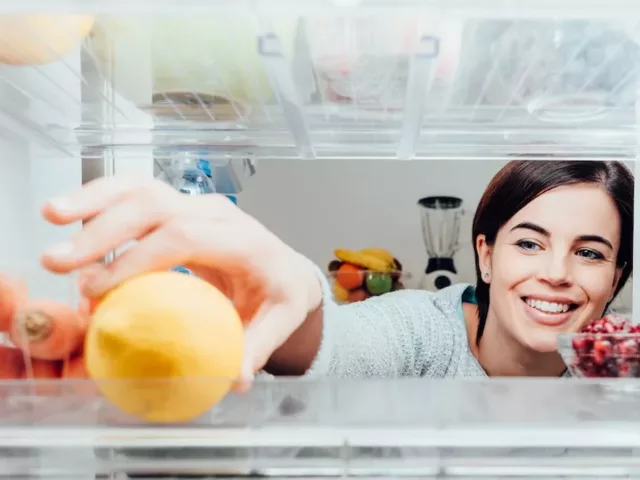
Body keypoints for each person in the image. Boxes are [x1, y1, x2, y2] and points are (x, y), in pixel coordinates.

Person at [38, 159, 634, 388]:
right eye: (529, 243)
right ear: (485, 253)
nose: (556, 273)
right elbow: (341, 346)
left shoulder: (619, 363)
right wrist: (296, 298)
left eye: (589, 253)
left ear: (617, 276)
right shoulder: (421, 332)